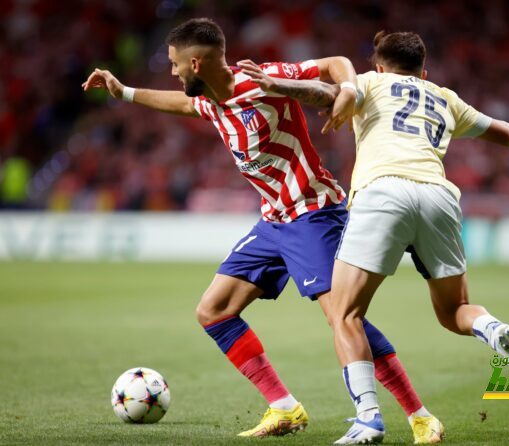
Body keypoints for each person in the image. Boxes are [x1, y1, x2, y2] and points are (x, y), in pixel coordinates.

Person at [82, 18, 433, 440]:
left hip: (313, 213)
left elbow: (336, 63)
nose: (172, 73)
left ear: (195, 63)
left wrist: (350, 90)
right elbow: (181, 104)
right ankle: (285, 408)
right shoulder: (210, 99)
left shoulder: (263, 80)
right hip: (273, 221)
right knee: (213, 311)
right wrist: (125, 92)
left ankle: (418, 414)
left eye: (176, 65)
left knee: (343, 317)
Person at [322, 31, 509, 444]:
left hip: (383, 191)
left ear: (379, 66)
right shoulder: (444, 96)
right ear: (424, 71)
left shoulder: (368, 83)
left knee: (346, 313)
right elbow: (507, 136)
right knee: (454, 309)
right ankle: (494, 330)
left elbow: (323, 91)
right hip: (438, 197)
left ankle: (369, 418)